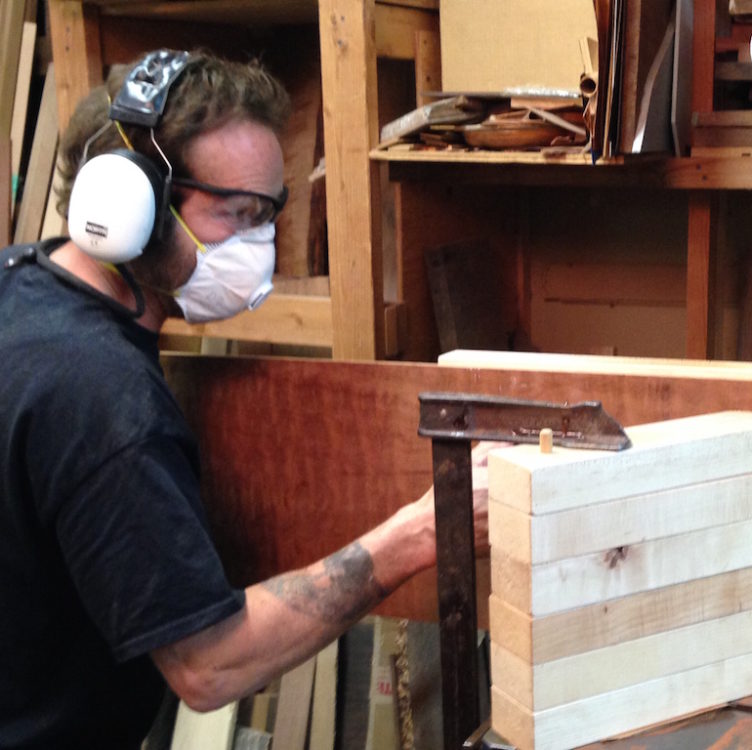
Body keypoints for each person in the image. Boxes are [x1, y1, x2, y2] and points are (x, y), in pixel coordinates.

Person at [0, 49, 491, 748]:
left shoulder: (18, 285)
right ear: (130, 205)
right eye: (238, 213)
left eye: (269, 216)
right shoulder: (103, 400)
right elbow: (209, 665)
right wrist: (413, 537)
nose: (260, 246)